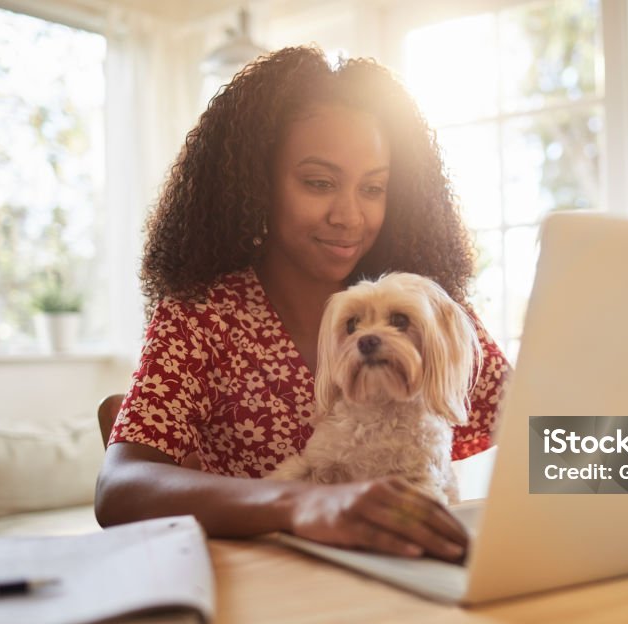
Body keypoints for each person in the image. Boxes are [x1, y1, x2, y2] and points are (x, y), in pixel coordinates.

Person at [94, 46, 510, 562]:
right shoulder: (202, 316)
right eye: (319, 183)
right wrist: (301, 502)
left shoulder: (430, 313)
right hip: (267, 602)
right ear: (254, 184)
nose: (349, 216)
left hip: (409, 590)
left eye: (373, 188)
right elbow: (120, 488)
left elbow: (536, 429)